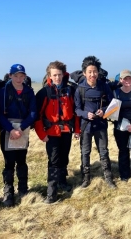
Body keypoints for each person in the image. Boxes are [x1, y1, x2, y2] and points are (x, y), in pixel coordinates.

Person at [35, 61, 80, 204]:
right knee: (53, 160)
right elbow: (38, 116)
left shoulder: (70, 90)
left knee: (64, 158)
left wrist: (77, 130)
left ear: (64, 74)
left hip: (66, 131)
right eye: (54, 75)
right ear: (49, 75)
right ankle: (52, 192)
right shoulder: (44, 93)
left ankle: (63, 182)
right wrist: (42, 135)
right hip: (51, 133)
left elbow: (76, 113)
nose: (57, 78)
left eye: (60, 74)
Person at [0, 64, 36, 207]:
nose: (19, 79)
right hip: (7, 131)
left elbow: (33, 113)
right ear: (10, 75)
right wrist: (11, 129)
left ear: (25, 76)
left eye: (21, 76)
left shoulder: (29, 92)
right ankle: (9, 191)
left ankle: (23, 189)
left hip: (23, 130)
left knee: (21, 160)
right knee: (9, 162)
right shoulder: (3, 92)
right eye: (16, 75)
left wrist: (21, 128)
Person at [74, 56, 116, 189]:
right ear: (84, 73)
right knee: (85, 152)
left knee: (103, 151)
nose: (92, 74)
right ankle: (85, 179)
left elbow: (112, 104)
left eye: (95, 71)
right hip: (85, 126)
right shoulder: (80, 89)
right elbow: (76, 109)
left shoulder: (104, 87)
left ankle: (108, 178)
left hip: (101, 125)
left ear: (98, 72)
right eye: (90, 72)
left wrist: (103, 111)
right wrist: (85, 114)